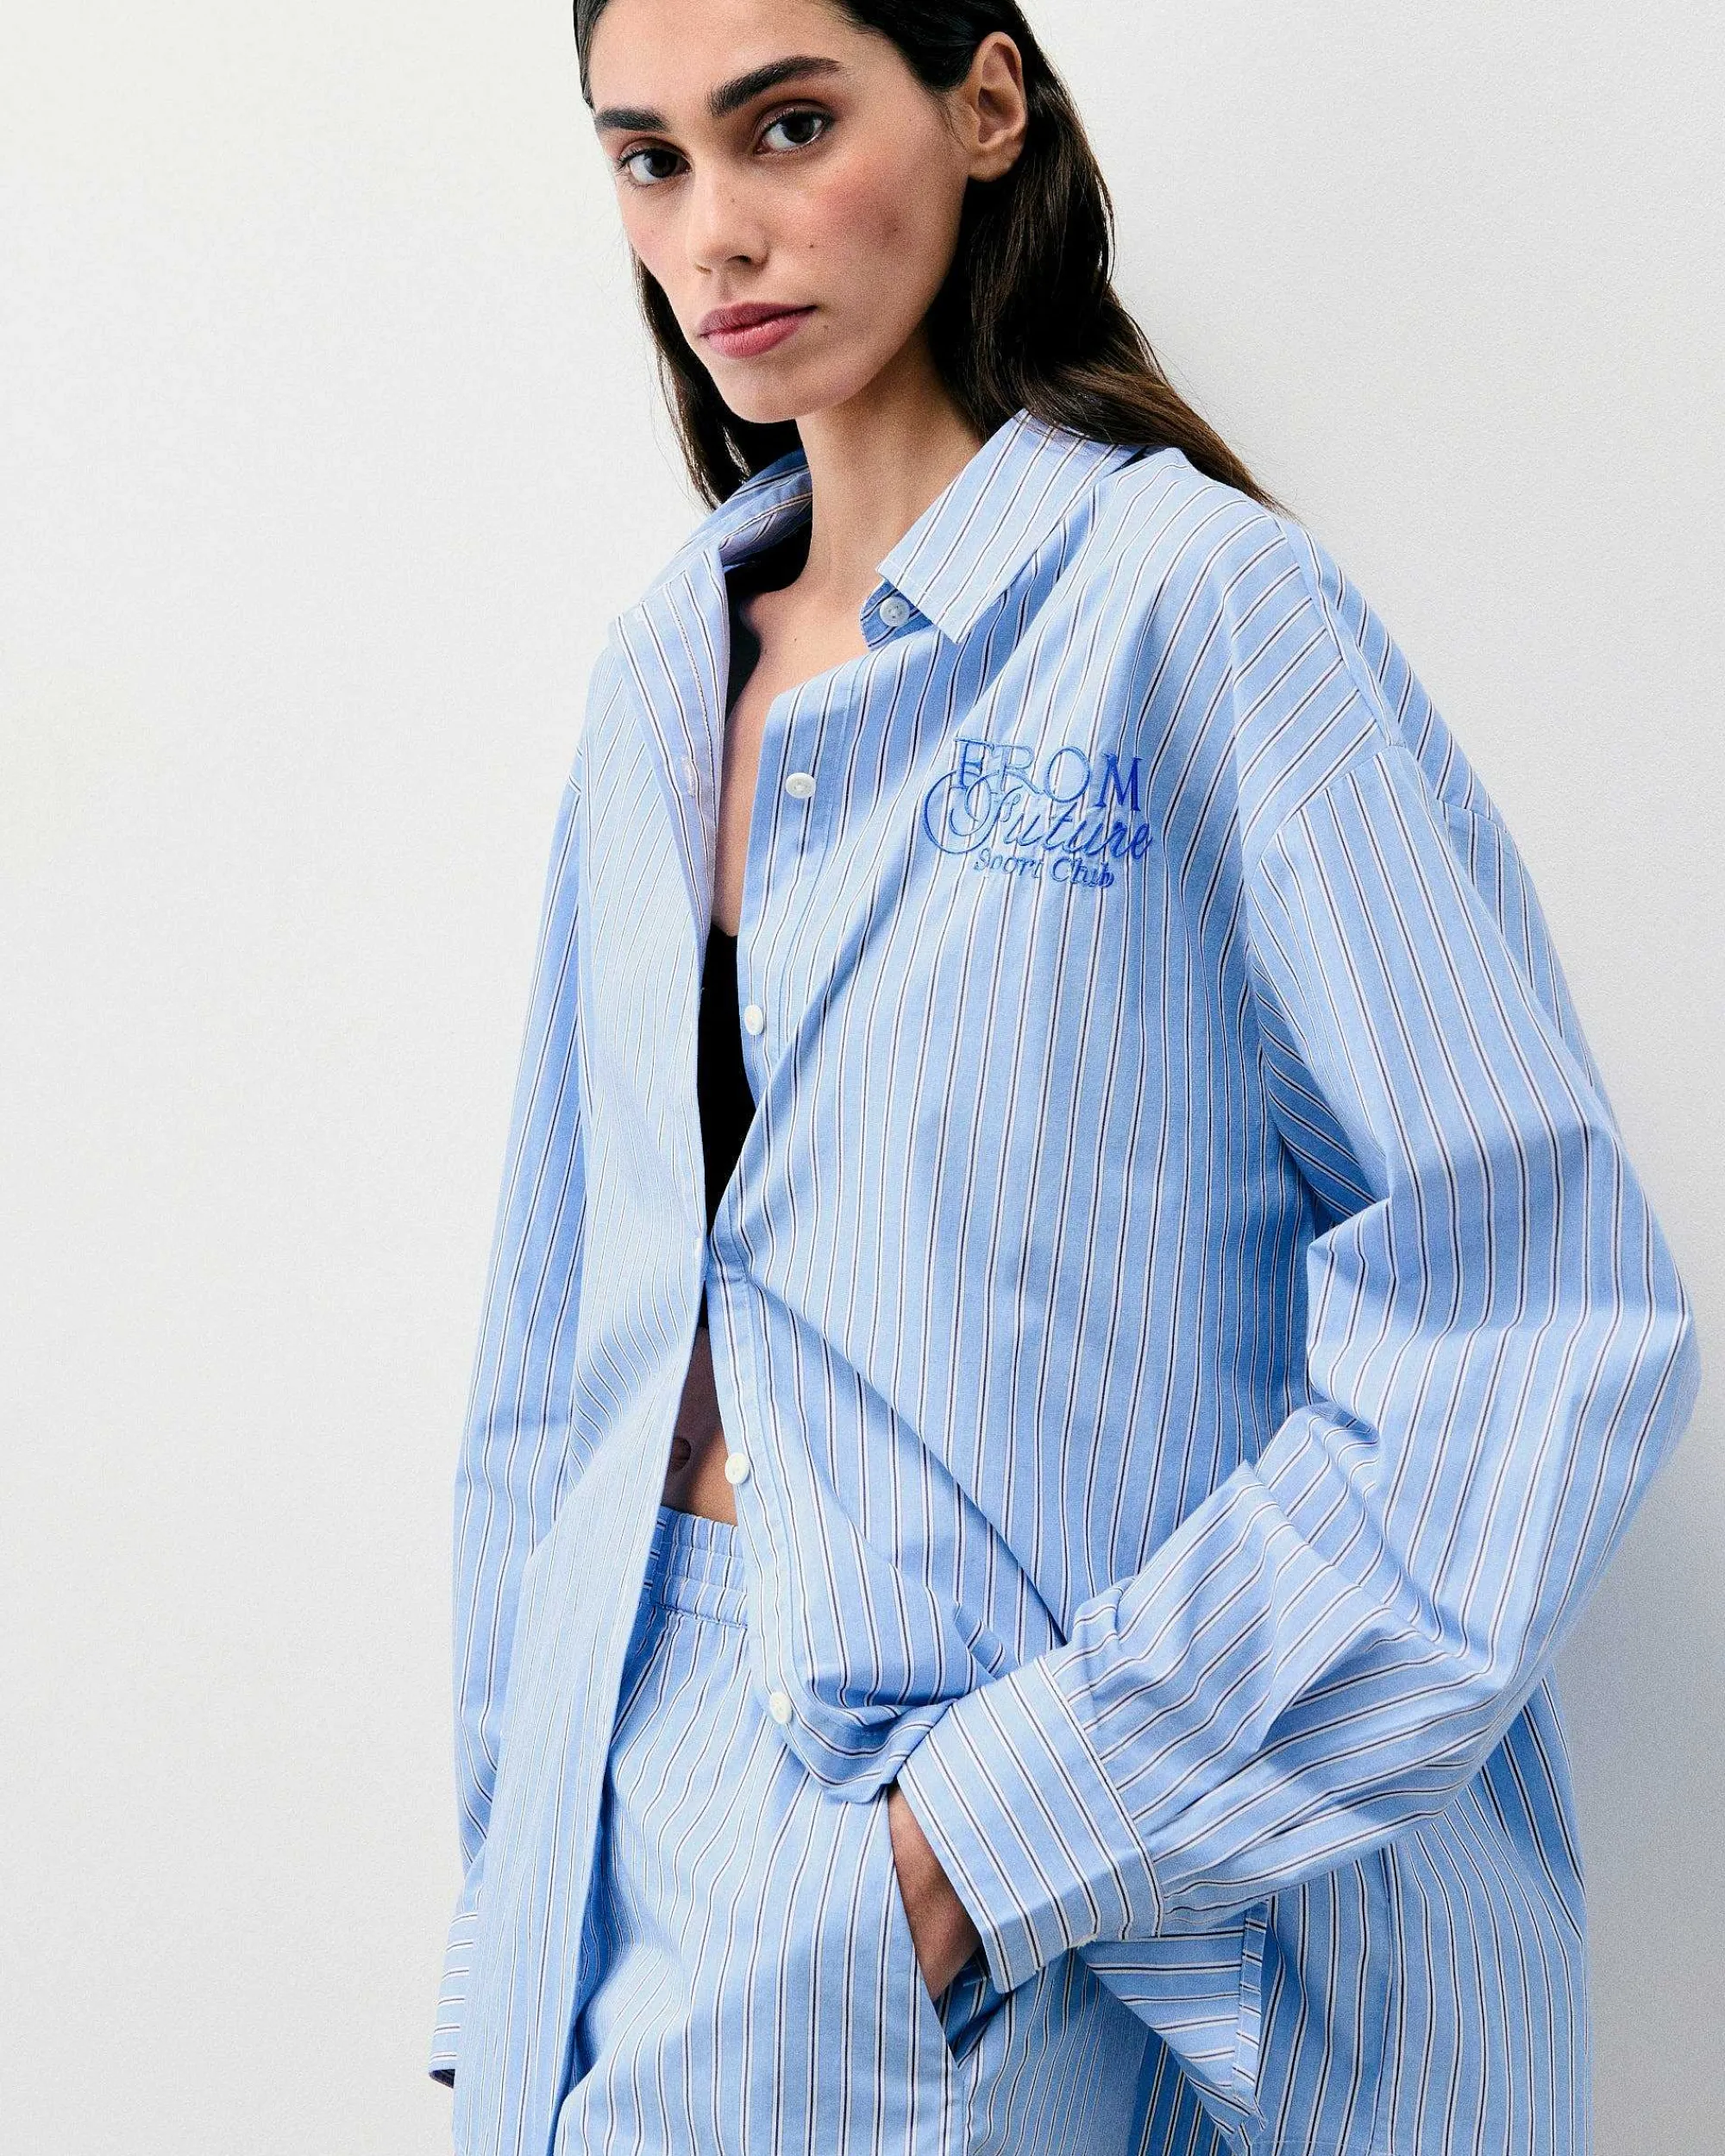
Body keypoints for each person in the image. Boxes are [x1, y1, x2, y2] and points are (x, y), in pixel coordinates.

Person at [428, 4, 1700, 2152]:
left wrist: (980, 1841)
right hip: (628, 1843)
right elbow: (555, 1375)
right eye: (649, 160)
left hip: (1031, 1895)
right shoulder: (656, 680)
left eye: (787, 126)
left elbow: (1533, 1311)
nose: (715, 229)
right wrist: (511, 1911)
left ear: (986, 102)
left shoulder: (1195, 613)